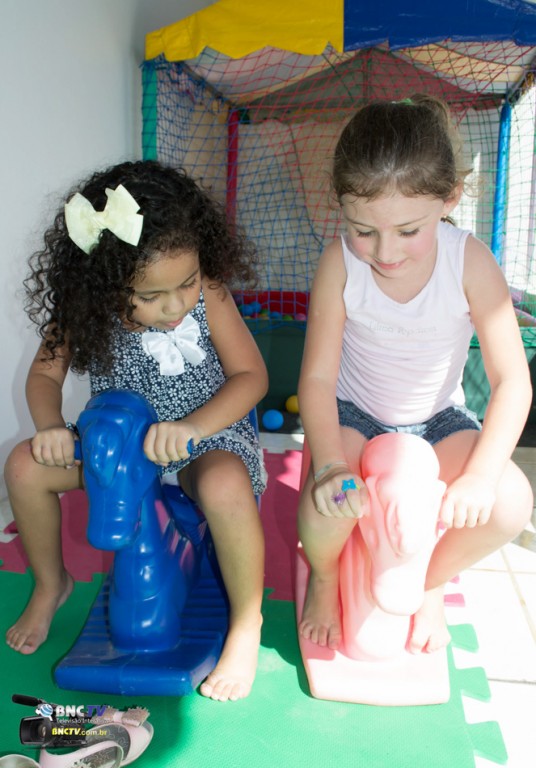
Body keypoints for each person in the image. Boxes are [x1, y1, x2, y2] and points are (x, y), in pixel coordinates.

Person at [5, 160, 268, 702]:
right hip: (120, 444)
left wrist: (193, 426)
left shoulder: (209, 294)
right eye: (151, 296)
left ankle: (248, 620)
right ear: (105, 284)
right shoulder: (84, 308)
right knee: (24, 467)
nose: (175, 305)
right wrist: (50, 428)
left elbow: (252, 376)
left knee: (224, 485)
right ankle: (52, 584)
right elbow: (44, 376)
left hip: (201, 439)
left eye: (186, 283)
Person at [297, 95, 533, 653]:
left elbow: (512, 381)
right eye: (363, 229)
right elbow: (318, 380)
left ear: (449, 198)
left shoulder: (469, 261)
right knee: (326, 506)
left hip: (438, 421)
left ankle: (429, 581)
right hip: (356, 414)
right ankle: (324, 576)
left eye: (408, 230)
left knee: (510, 503)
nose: (385, 252)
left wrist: (480, 477)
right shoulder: (339, 262)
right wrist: (329, 464)